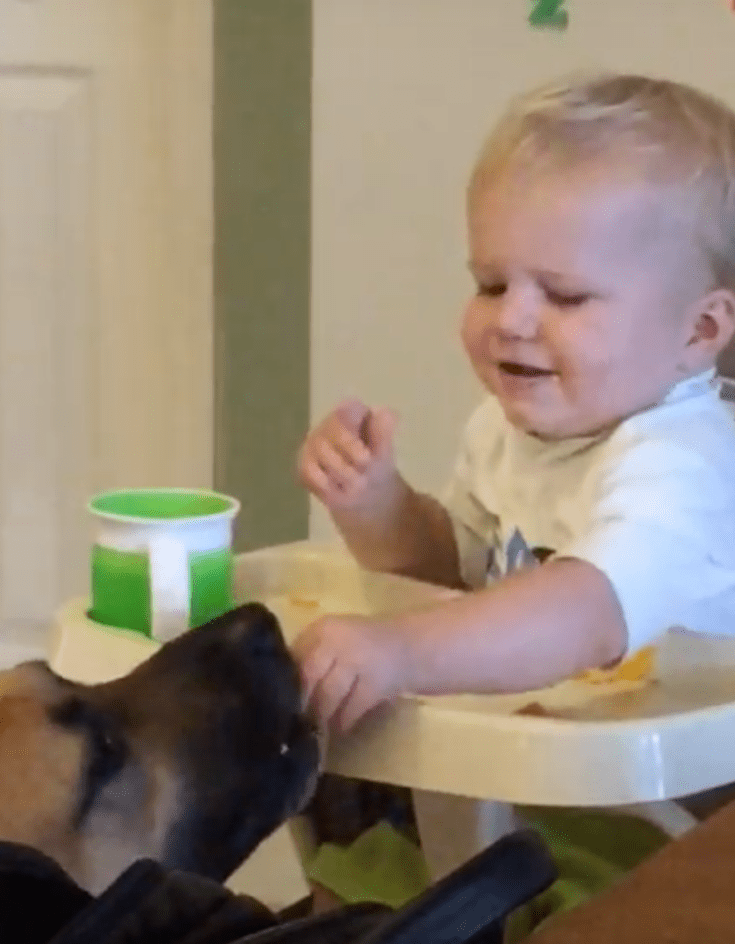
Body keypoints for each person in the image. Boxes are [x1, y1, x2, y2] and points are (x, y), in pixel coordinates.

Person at [294, 71, 735, 733]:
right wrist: (377, 505)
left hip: (690, 789)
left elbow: (585, 615)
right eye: (492, 284)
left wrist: (401, 651)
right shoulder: (505, 429)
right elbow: (453, 576)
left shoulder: (684, 462)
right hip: (552, 768)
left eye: (566, 296)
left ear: (698, 331)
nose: (511, 319)